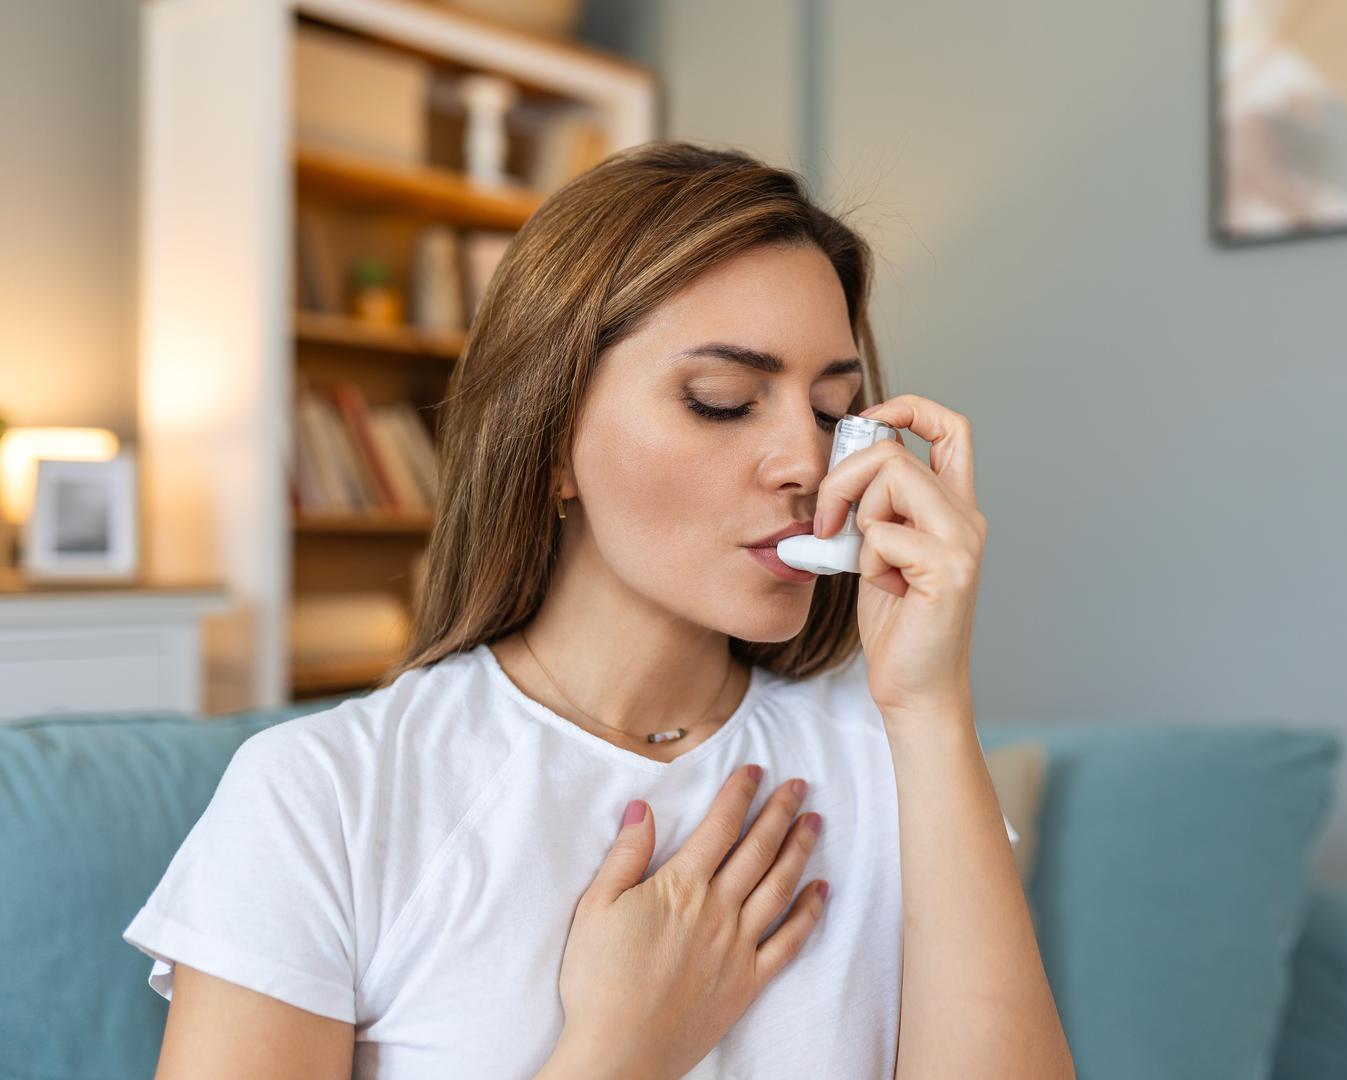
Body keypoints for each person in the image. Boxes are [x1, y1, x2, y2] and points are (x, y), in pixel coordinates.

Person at [122, 141, 1071, 1079]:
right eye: (723, 400)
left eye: (832, 412)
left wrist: (931, 708)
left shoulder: (899, 762)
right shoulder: (326, 796)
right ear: (551, 444)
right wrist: (626, 1048)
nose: (807, 462)